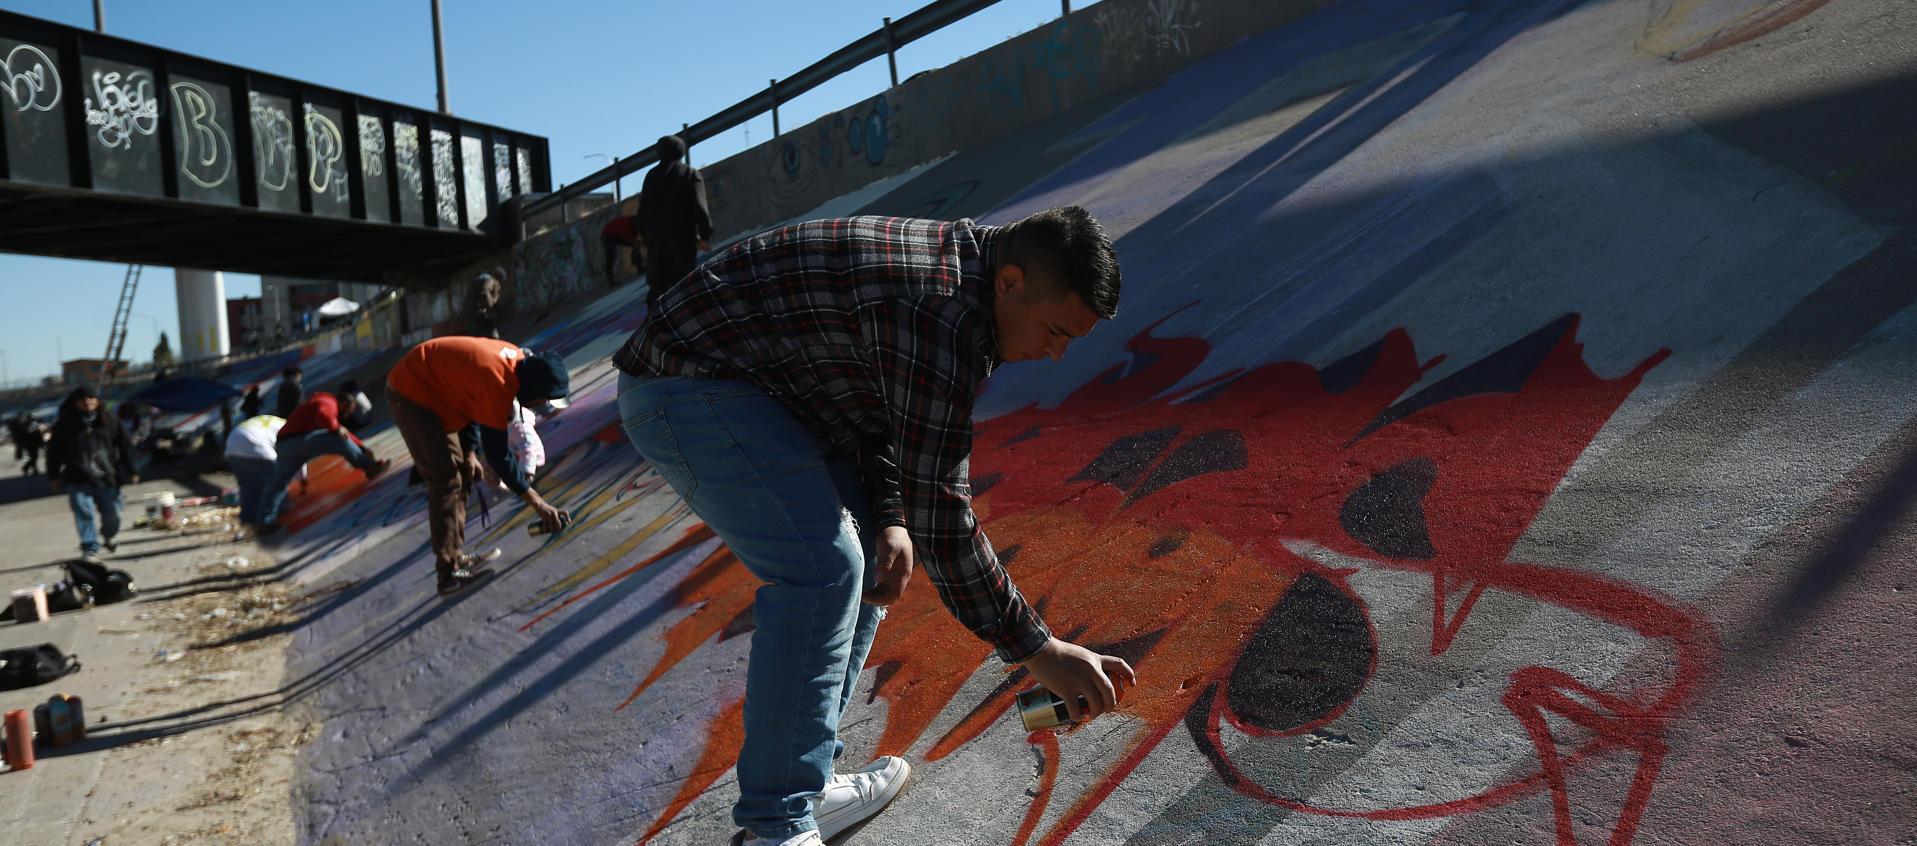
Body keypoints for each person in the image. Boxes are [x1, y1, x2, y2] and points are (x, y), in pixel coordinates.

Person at [611, 207, 1136, 846]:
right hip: (686, 384)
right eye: (1055, 331)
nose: (1054, 354)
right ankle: (776, 824)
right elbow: (944, 516)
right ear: (1012, 282)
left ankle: (801, 781)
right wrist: (1038, 650)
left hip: (775, 394)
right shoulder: (940, 309)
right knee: (823, 568)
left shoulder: (969, 285)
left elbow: (881, 403)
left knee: (870, 557)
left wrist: (888, 515)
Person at [385, 337, 571, 596]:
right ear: (531, 390)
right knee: (446, 481)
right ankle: (448, 575)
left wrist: (470, 452)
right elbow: (498, 454)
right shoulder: (497, 380)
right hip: (413, 393)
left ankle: (455, 556)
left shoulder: (516, 363)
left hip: (439, 392)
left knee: (464, 472)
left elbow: (471, 399)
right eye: (541, 401)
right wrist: (538, 503)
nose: (540, 406)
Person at [255, 391, 390, 531]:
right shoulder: (328, 401)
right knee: (337, 438)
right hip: (298, 440)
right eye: (350, 409)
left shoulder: (321, 403)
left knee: (279, 482)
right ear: (343, 403)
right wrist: (337, 429)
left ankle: (265, 520)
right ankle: (369, 467)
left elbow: (342, 431)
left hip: (284, 446)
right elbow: (325, 417)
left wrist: (361, 446)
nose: (349, 414)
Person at [45, 386, 138, 562]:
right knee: (83, 511)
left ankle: (110, 535)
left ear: (98, 401)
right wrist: (54, 475)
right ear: (75, 403)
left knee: (113, 513)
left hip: (106, 477)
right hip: (77, 477)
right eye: (82, 399)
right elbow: (54, 451)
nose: (87, 401)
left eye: (91, 398)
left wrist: (132, 469)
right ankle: (90, 547)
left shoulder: (109, 419)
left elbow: (125, 445)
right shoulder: (65, 423)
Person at [635, 135, 714, 313]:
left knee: (657, 289)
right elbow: (700, 207)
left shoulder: (651, 176)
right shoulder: (689, 173)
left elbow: (643, 210)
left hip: (656, 244)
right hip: (682, 241)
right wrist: (705, 236)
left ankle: (655, 328)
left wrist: (644, 236)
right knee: (684, 285)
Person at [224, 414, 300, 531]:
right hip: (256, 445)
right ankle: (272, 521)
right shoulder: (292, 429)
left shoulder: (274, 420)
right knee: (277, 485)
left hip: (232, 445)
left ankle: (248, 520)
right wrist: (303, 479)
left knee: (249, 486)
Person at [601, 213, 641, 287]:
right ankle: (611, 281)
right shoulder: (628, 225)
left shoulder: (634, 224)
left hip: (616, 235)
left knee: (635, 245)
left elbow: (633, 239)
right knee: (611, 255)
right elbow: (631, 238)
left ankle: (639, 268)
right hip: (608, 235)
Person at [466, 269, 505, 339]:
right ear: (499, 278)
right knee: (494, 337)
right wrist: (491, 304)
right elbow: (485, 292)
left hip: (470, 315)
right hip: (481, 314)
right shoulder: (491, 280)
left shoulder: (479, 279)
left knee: (480, 338)